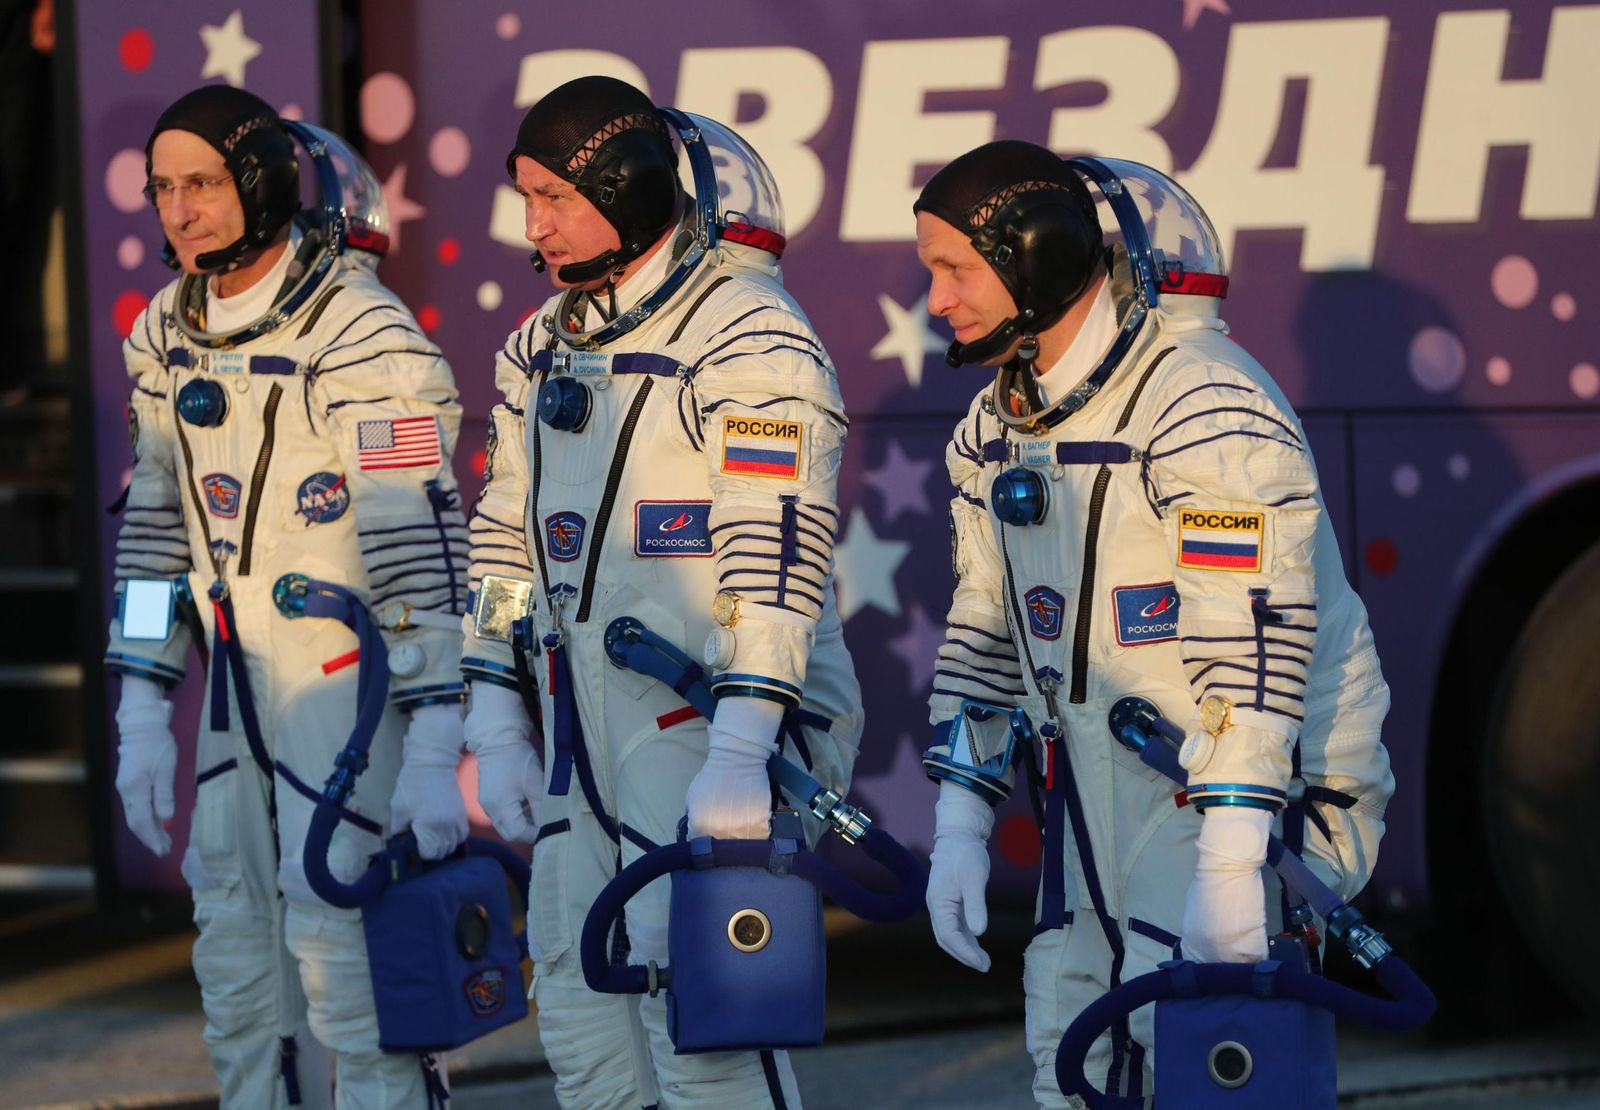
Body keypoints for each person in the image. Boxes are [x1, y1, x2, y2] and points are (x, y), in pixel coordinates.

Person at [914, 141, 1395, 1106]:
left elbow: (1251, 651)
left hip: (1230, 801)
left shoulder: (1204, 403)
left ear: (1036, 257)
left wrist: (1234, 858)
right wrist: (961, 819)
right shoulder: (994, 429)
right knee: (1069, 1047)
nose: (937, 300)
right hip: (1092, 807)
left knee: (1201, 1070)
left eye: (956, 268)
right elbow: (986, 633)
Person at [459, 75, 861, 1108]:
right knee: (581, 1016)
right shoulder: (539, 347)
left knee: (705, 1034)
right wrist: (493, 702)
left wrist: (743, 748)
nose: (533, 226)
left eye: (555, 198)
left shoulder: (748, 334)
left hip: (709, 721)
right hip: (586, 733)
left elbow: (776, 556)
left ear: (626, 190)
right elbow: (505, 540)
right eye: (526, 198)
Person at [106, 85, 471, 1108]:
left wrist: (435, 737)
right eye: (163, 188)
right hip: (235, 692)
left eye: (204, 184)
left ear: (262, 183)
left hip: (345, 690)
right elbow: (154, 533)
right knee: (236, 966)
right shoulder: (165, 332)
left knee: (354, 964)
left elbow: (419, 549)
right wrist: (142, 703)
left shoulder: (360, 330)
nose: (180, 211)